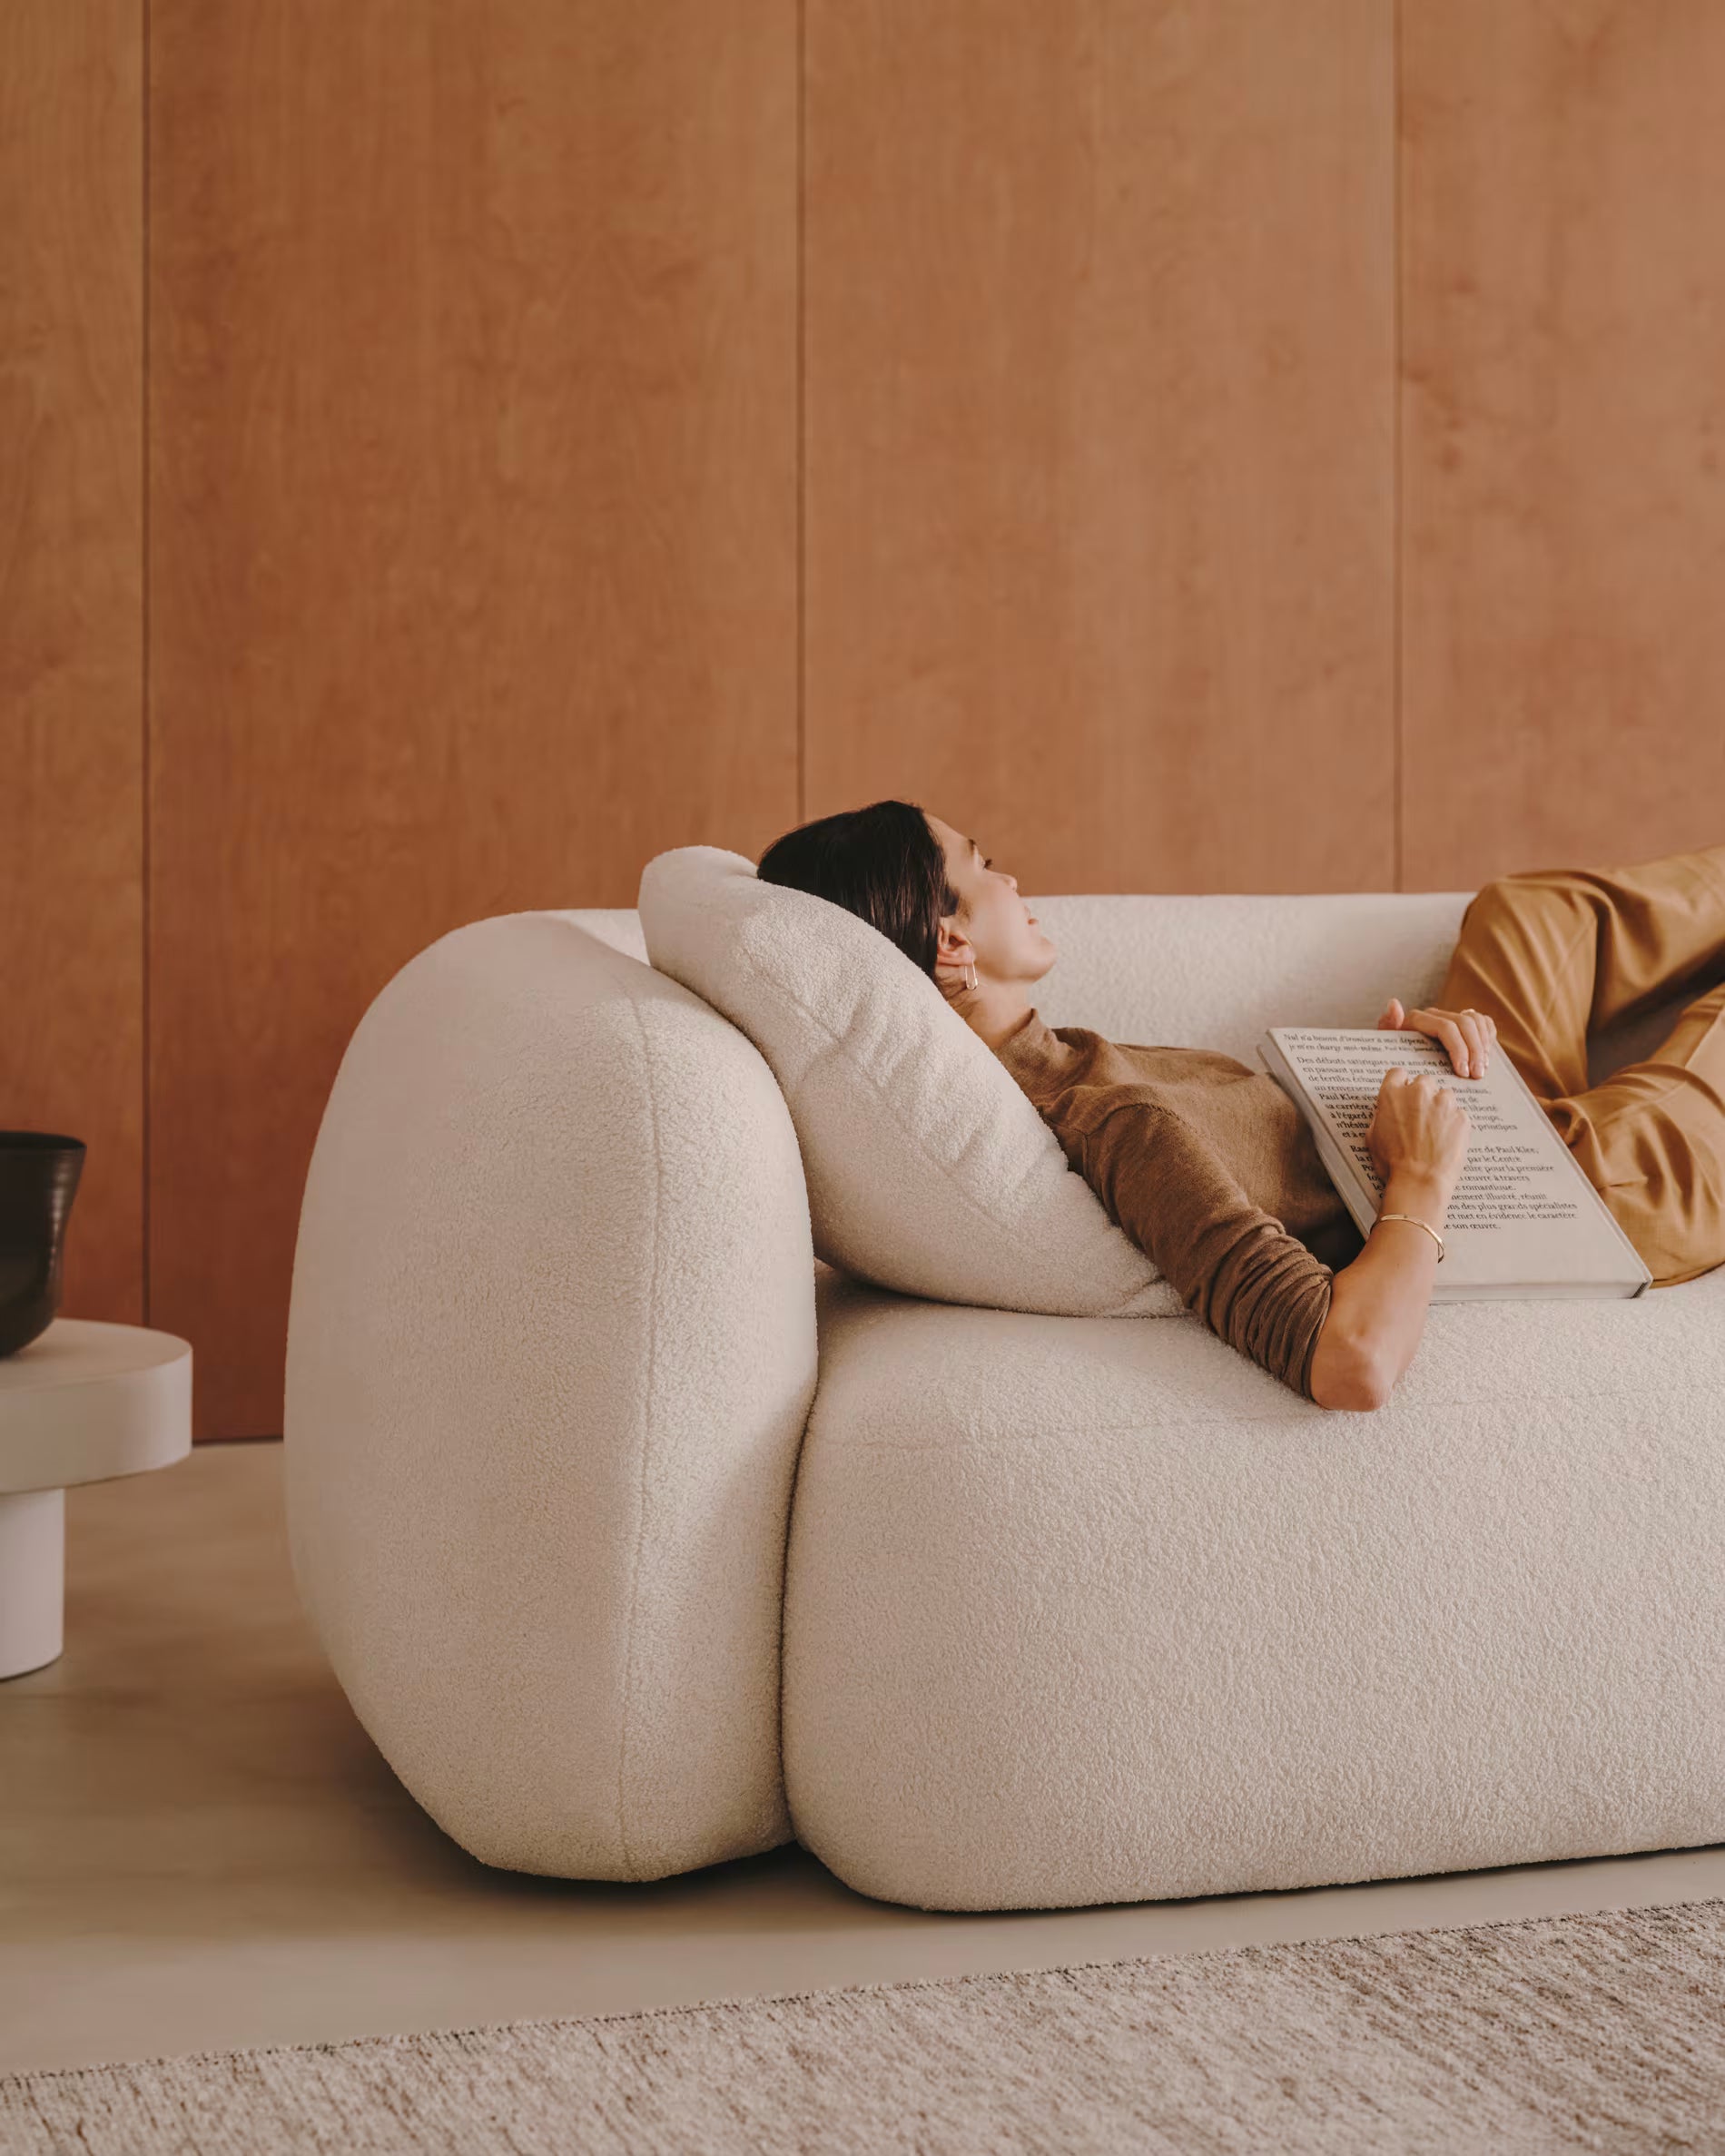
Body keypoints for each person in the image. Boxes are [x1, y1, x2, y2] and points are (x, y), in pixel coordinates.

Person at [756, 801, 1725, 1413]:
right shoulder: (1106, 1122)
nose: (1011, 878)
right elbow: (1347, 1359)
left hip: (1461, 1124)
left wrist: (1379, 1062)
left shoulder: (1052, 1063)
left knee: (1525, 911)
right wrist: (1423, 1176)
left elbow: (1274, 1157)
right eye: (983, 863)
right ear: (949, 942)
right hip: (1554, 1196)